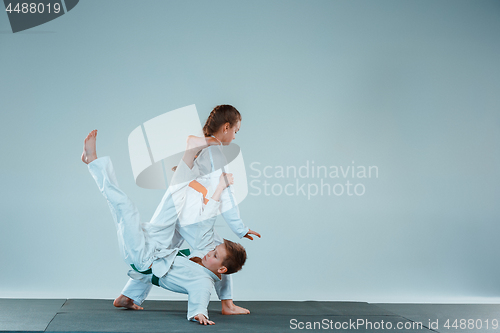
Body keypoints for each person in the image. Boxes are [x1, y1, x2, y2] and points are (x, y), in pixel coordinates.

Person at [82, 130, 246, 325]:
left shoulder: (203, 282)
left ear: (222, 268)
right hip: (159, 246)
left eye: (215, 255)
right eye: (214, 250)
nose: (210, 252)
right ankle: (189, 151)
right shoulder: (205, 254)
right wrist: (220, 187)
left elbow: (199, 300)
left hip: (143, 258)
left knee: (125, 209)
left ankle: (93, 162)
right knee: (174, 198)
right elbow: (208, 220)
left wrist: (199, 314)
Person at [116, 105, 261, 316]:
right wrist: (241, 228)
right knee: (224, 253)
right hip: (194, 218)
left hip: (181, 213)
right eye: (236, 131)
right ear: (227, 127)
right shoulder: (218, 153)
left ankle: (127, 296)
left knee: (158, 256)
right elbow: (227, 196)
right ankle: (227, 305)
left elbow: (189, 176)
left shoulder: (206, 149)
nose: (235, 137)